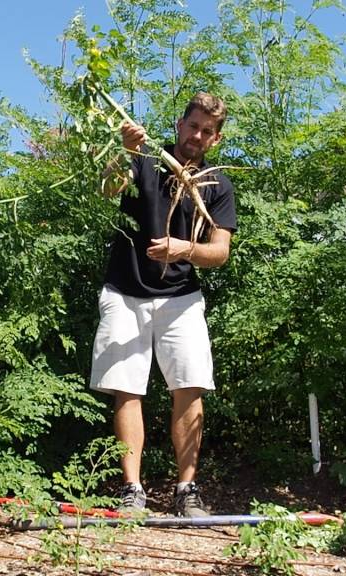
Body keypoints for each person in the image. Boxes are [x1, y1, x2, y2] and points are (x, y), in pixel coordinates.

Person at [90, 92, 236, 517]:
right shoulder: (146, 160)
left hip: (181, 299)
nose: (197, 135)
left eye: (207, 131)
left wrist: (184, 249)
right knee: (127, 388)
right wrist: (124, 152)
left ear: (216, 138)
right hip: (124, 291)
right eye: (192, 126)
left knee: (189, 388)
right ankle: (132, 490)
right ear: (179, 124)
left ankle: (186, 490)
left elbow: (220, 252)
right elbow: (107, 189)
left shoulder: (217, 183)